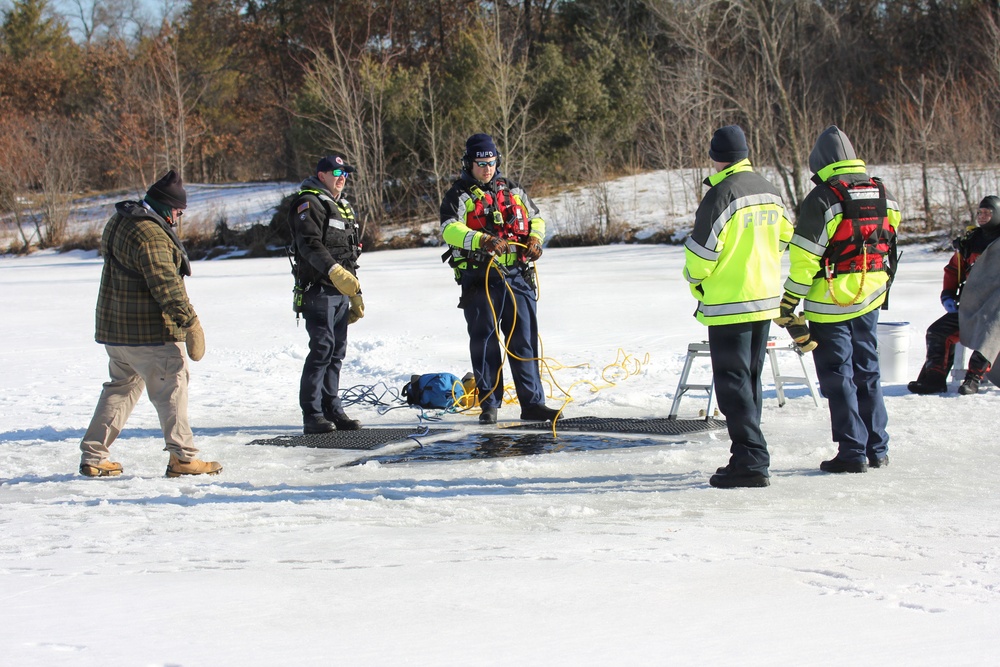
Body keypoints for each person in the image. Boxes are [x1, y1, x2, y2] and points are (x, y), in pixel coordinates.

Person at [79, 170, 222, 478]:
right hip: (148, 332)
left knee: (120, 389)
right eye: (177, 210)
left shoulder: (120, 220)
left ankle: (94, 455)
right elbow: (167, 286)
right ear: (163, 205)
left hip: (115, 331)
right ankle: (183, 458)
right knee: (173, 386)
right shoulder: (151, 235)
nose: (180, 215)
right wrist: (191, 323)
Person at [781, 125, 901, 473]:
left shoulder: (823, 197)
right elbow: (889, 237)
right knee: (868, 369)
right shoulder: (883, 191)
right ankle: (878, 448)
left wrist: (790, 301)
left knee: (838, 375)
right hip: (871, 295)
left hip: (829, 301)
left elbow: (805, 258)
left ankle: (852, 453)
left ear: (819, 164)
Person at [684, 125, 794, 489]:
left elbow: (701, 254)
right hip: (763, 299)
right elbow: (785, 239)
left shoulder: (722, 194)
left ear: (715, 157)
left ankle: (751, 459)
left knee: (733, 386)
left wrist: (696, 279)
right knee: (749, 382)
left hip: (730, 303)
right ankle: (748, 455)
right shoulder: (769, 189)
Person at [440, 133, 559, 425]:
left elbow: (537, 218)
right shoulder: (458, 194)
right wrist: (482, 241)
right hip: (480, 278)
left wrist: (535, 239)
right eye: (481, 164)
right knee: (485, 342)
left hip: (518, 275)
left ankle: (532, 404)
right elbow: (448, 229)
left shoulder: (513, 189)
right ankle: (489, 404)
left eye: (491, 163)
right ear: (469, 163)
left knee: (524, 341)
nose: (487, 169)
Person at [289, 153, 365, 434]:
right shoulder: (309, 203)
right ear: (322, 175)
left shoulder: (342, 207)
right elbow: (309, 244)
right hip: (317, 290)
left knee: (337, 352)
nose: (342, 177)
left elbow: (349, 255)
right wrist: (333, 271)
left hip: (341, 293)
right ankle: (313, 414)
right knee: (321, 350)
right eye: (337, 172)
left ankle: (333, 408)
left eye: (345, 173)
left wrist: (355, 292)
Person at [907, 196, 1000, 396]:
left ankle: (973, 378)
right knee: (937, 332)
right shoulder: (970, 241)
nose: (982, 217)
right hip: (972, 307)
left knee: (990, 333)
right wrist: (948, 294)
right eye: (980, 213)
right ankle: (934, 380)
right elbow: (953, 269)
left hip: (997, 312)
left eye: (988, 213)